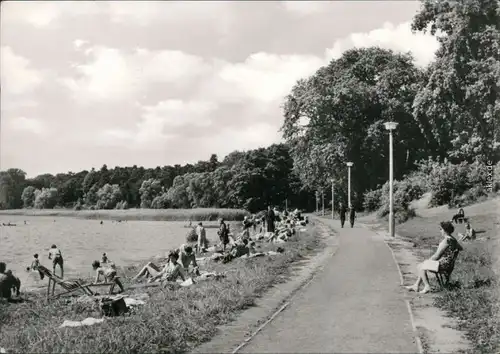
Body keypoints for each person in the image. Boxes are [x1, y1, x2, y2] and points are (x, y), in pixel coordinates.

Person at [405, 221, 463, 294]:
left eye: (441, 229)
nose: (440, 231)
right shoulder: (453, 239)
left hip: (443, 265)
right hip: (449, 265)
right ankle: (416, 285)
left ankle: (427, 286)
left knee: (420, 266)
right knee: (423, 265)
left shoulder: (446, 241)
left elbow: (436, 256)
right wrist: (452, 253)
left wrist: (427, 261)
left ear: (445, 231)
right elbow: (460, 248)